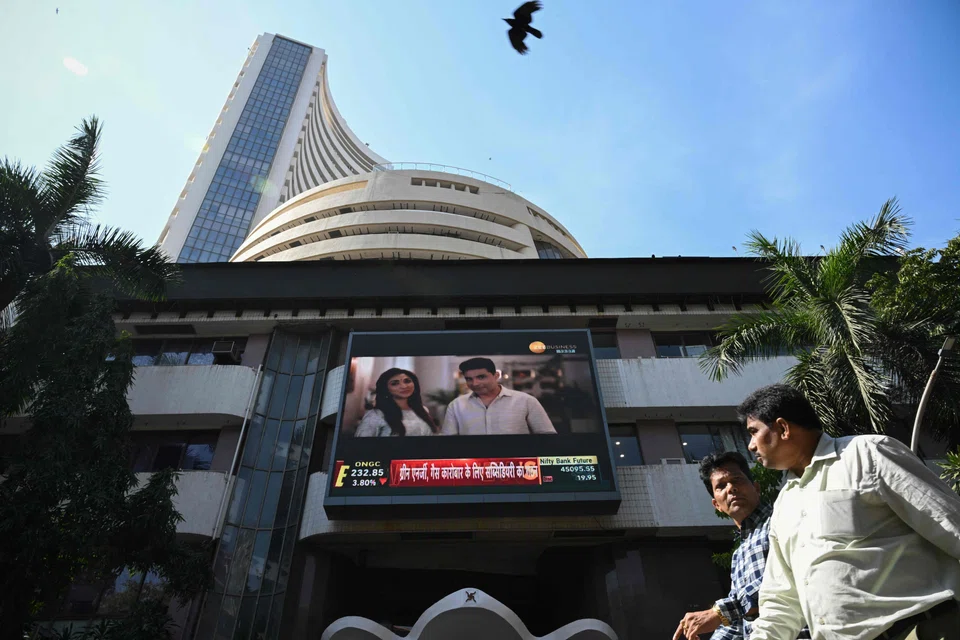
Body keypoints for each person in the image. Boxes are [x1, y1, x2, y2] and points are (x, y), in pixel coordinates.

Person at [740, 384, 960, 640]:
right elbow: (781, 601)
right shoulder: (784, 506)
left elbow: (948, 522)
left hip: (921, 629)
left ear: (782, 428)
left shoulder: (868, 454)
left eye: (753, 432)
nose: (751, 446)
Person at [674, 452, 810, 640]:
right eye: (721, 486)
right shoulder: (739, 555)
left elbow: (786, 579)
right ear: (717, 505)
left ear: (756, 488)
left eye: (737, 480)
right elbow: (741, 622)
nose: (731, 488)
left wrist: (719, 612)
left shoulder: (782, 519)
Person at [441, 357, 556, 435]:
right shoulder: (456, 406)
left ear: (496, 376)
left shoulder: (526, 401)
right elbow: (447, 442)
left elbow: (547, 436)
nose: (475, 383)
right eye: (469, 379)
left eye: (481, 377)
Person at [354, 368, 438, 437]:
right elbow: (361, 447)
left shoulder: (423, 410)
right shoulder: (376, 415)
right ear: (386, 389)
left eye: (407, 381)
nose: (404, 386)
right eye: (394, 383)